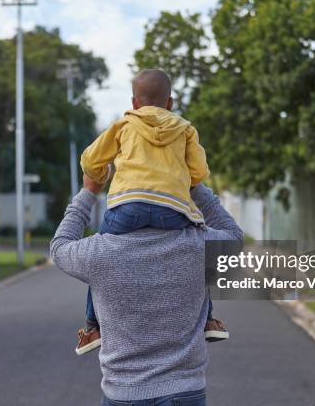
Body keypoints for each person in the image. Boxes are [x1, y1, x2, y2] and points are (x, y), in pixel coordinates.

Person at [50, 174, 243, 405]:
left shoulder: (101, 251)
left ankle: (93, 328)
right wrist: (195, 186)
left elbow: (60, 246)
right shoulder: (197, 245)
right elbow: (234, 236)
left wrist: (89, 191)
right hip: (185, 391)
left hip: (122, 392)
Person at [76, 69, 228, 355]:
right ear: (169, 102)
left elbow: (90, 158)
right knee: (202, 254)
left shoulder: (123, 125)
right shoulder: (185, 130)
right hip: (172, 209)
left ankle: (92, 326)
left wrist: (100, 173)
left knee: (98, 261)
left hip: (126, 208)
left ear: (134, 103)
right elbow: (199, 172)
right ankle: (208, 320)